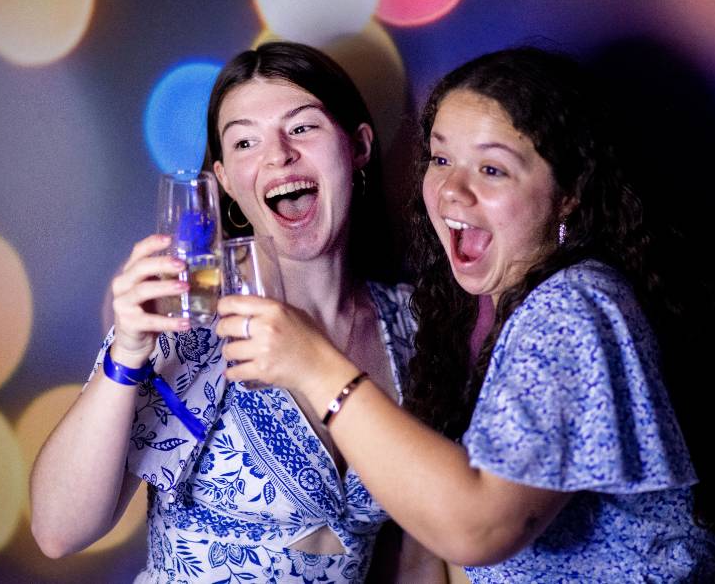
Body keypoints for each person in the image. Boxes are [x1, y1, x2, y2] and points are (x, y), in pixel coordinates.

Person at [216, 46, 715, 581]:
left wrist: (315, 367)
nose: (452, 192)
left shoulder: (569, 307)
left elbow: (478, 530)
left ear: (569, 193)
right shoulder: (498, 314)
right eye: (441, 160)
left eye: (492, 168)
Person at [30, 41, 444, 583]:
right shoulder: (190, 325)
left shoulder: (413, 326)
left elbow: (416, 551)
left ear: (359, 146)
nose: (277, 156)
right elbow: (59, 531)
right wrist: (127, 351)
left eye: (302, 128)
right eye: (246, 141)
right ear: (225, 180)